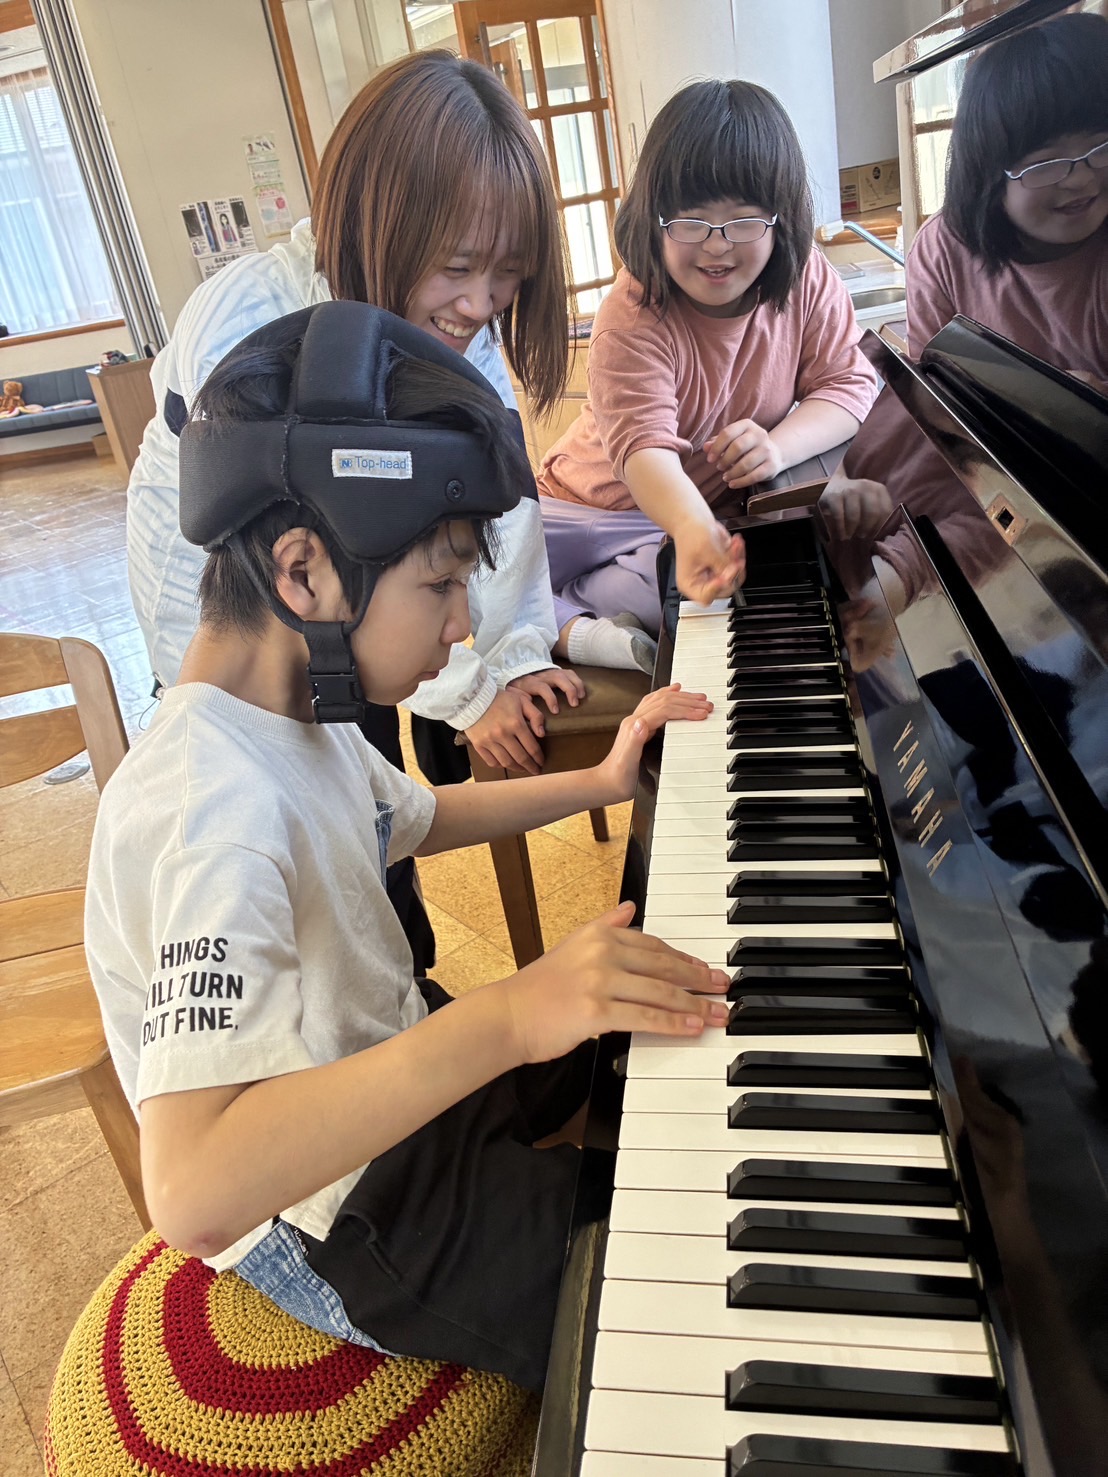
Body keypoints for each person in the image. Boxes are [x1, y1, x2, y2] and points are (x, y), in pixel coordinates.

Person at [85, 301, 729, 1397]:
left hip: (390, 1050)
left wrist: (604, 778)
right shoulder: (208, 816)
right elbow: (194, 1191)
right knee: (660, 1285)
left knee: (635, 1015)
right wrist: (513, 1013)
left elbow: (414, 818)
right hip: (336, 1209)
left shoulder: (301, 705)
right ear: (304, 572)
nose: (463, 624)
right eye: (441, 582)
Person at [128, 50, 583, 781]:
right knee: (303, 770)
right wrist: (468, 695)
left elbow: (505, 502)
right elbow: (295, 571)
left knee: (375, 792)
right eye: (457, 267)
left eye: (508, 273)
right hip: (242, 615)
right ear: (382, 225)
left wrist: (517, 654)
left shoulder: (457, 329)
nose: (480, 304)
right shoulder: (255, 319)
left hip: (364, 594)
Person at [537, 78, 878, 666]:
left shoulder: (807, 280)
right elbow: (645, 450)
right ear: (653, 219)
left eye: (744, 220)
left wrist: (776, 447)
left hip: (667, 525)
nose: (717, 246)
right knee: (485, 570)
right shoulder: (632, 311)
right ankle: (571, 622)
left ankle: (579, 615)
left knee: (684, 586)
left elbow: (849, 385)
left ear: (781, 218)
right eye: (690, 221)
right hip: (579, 502)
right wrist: (692, 521)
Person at [905, 11, 1108, 384]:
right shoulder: (943, 249)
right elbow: (932, 388)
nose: (1081, 179)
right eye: (1045, 162)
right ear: (988, 176)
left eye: (1101, 147)